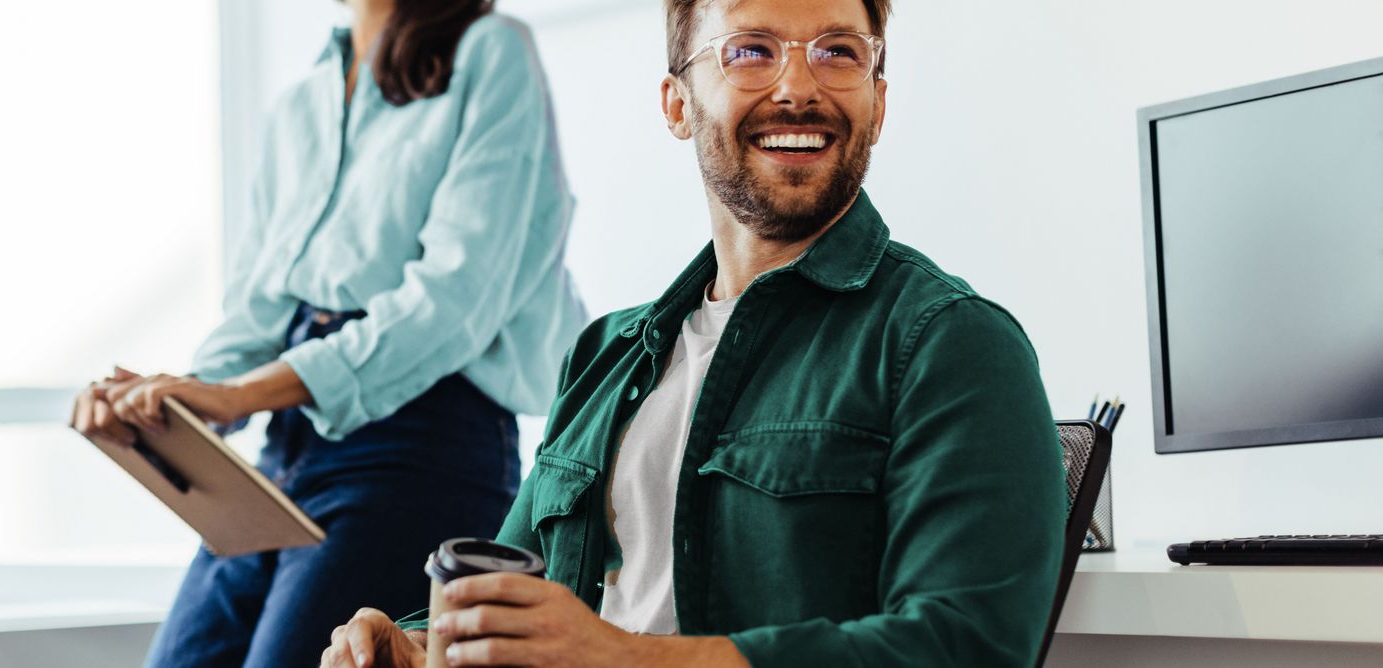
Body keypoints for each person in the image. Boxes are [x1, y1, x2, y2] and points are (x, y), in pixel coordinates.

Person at [322, 0, 1068, 665]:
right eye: (751, 49)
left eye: (839, 50)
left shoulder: (954, 345)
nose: (799, 88)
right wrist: (416, 645)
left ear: (877, 100)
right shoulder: (604, 356)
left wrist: (620, 659)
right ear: (677, 104)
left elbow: (967, 646)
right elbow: (512, 596)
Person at [69, 0, 584, 665]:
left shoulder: (490, 51)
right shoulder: (302, 102)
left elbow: (454, 301)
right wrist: (164, 408)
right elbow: (259, 308)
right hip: (288, 449)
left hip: (420, 452)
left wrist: (244, 395)